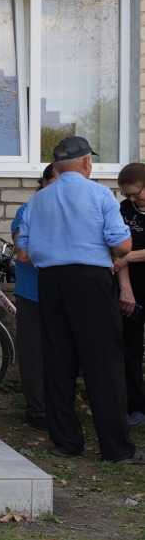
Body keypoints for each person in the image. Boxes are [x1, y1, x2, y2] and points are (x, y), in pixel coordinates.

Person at [16, 136, 143, 465]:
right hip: (91, 282)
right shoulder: (100, 194)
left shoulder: (38, 201)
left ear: (56, 166)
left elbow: (24, 253)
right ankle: (117, 449)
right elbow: (123, 248)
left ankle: (66, 443)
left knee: (58, 361)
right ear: (87, 162)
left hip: (51, 283)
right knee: (103, 362)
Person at [10, 163, 58, 430]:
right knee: (33, 352)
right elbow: (22, 251)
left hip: (62, 292)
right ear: (43, 183)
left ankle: (58, 405)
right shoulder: (27, 210)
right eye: (55, 182)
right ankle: (37, 409)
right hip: (32, 292)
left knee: (60, 352)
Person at [114, 162, 145, 429]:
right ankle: (137, 406)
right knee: (131, 349)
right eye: (128, 195)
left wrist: (128, 258)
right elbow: (116, 250)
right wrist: (126, 288)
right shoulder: (123, 211)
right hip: (133, 292)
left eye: (137, 193)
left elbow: (124, 256)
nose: (133, 199)